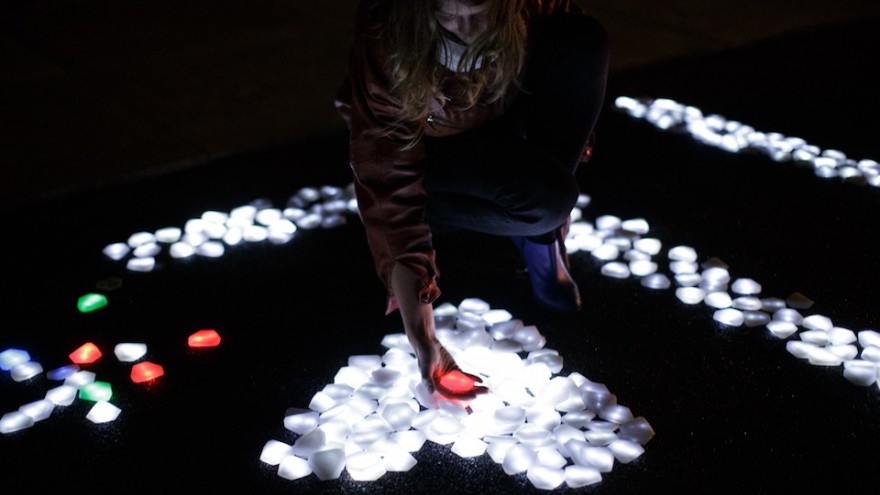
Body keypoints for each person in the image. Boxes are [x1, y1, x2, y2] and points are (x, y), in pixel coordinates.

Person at [335, 0, 609, 400]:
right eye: (450, 12)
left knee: (583, 41)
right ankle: (439, 217)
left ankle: (543, 234)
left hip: (500, 120)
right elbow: (386, 168)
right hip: (424, 150)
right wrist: (422, 334)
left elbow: (575, 69)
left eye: (480, 8)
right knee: (393, 203)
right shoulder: (389, 30)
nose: (466, 29)